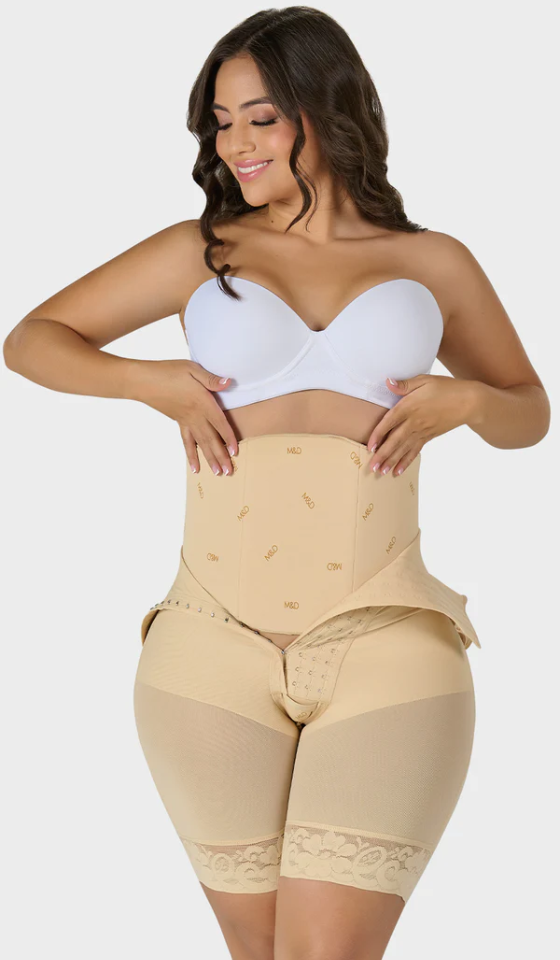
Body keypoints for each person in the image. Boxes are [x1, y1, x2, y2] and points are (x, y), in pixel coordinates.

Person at [3, 8, 550, 960]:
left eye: (261, 117)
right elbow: (31, 341)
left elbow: (528, 413)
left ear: (327, 109)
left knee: (323, 951)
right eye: (221, 122)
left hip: (387, 631)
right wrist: (147, 382)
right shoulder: (203, 248)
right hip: (209, 639)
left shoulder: (432, 262)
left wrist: (466, 400)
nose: (236, 144)